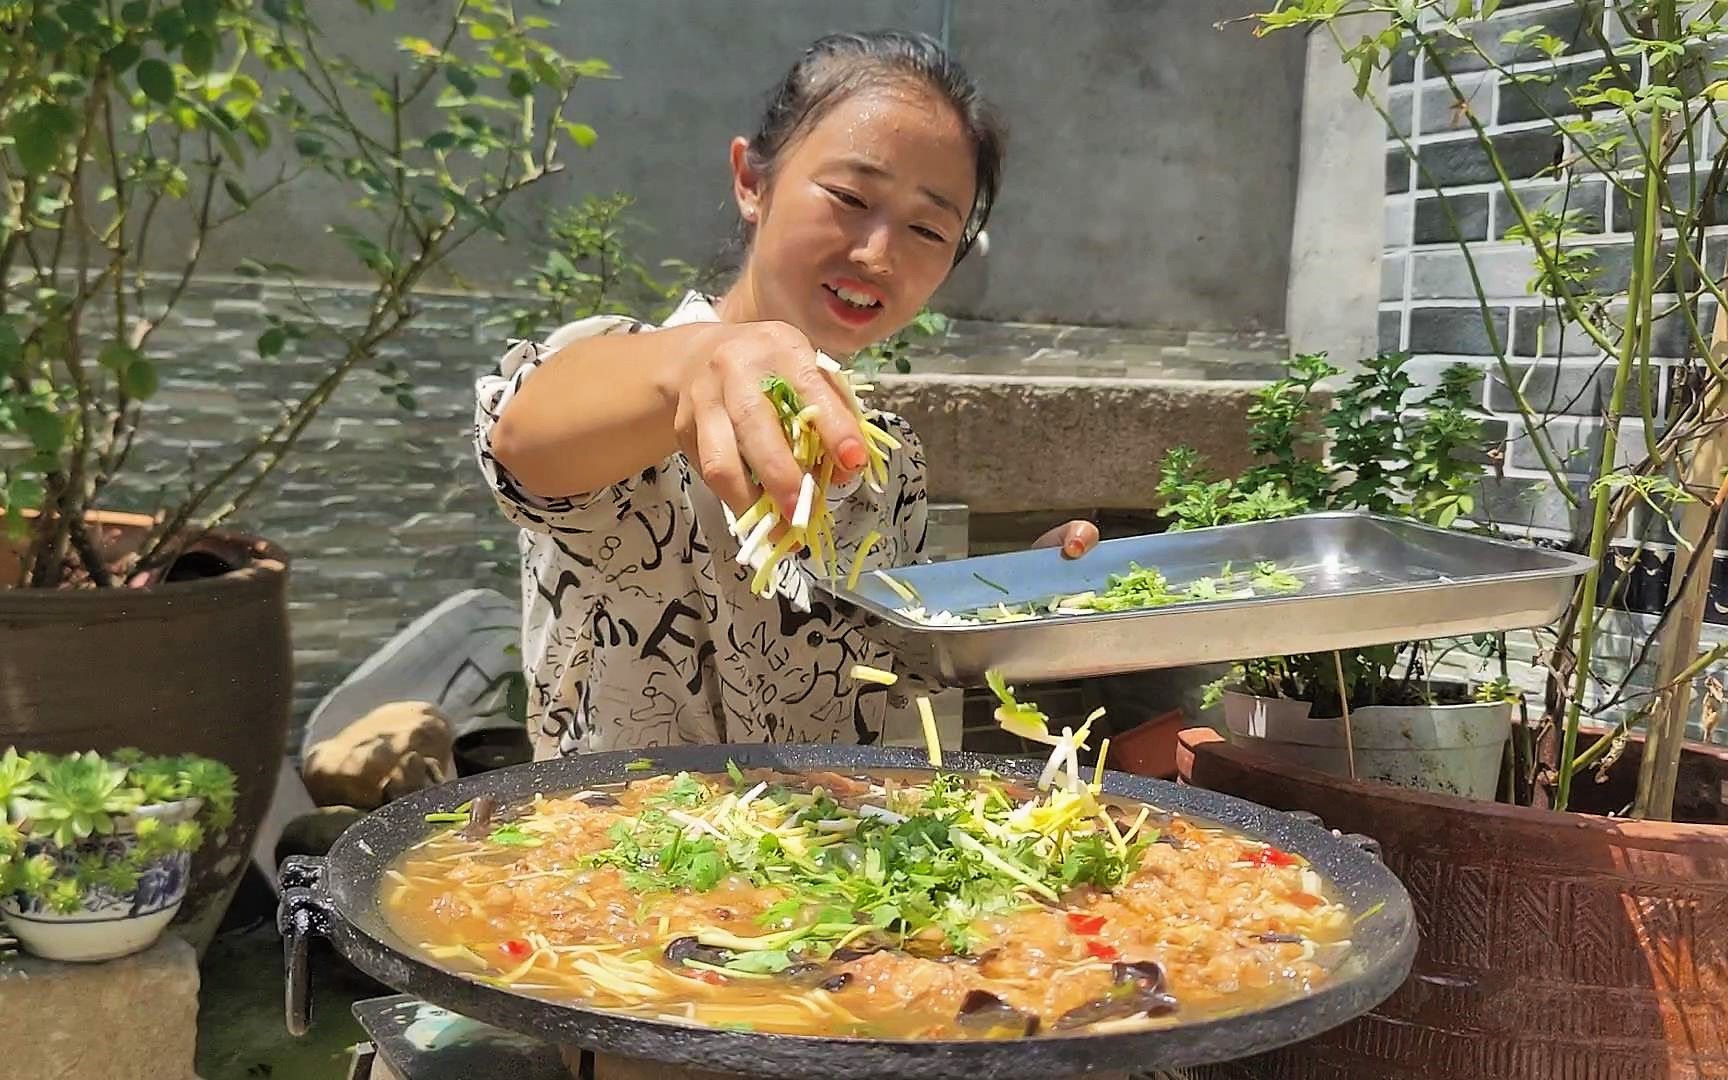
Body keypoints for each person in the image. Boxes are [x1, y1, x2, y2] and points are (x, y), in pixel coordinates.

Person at [474, 29, 1098, 759]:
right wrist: (701, 362)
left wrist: (1020, 595)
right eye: (849, 196)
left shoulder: (880, 459)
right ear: (752, 181)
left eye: (928, 229)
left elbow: (896, 655)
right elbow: (522, 443)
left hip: (816, 856)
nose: (876, 254)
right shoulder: (632, 379)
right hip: (618, 858)